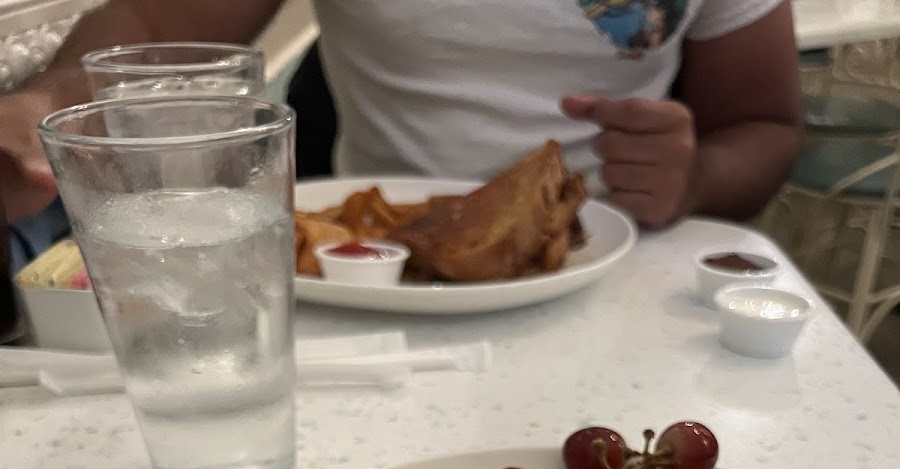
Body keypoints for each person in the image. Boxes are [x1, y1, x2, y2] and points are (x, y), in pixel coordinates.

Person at [0, 0, 801, 247]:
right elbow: (143, 19)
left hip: (616, 263)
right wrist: (56, 95)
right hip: (375, 269)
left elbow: (763, 123)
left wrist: (696, 178)